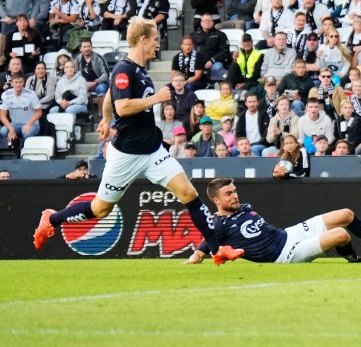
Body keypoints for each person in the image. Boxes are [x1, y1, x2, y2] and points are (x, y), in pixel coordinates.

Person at [33, 18, 238, 262]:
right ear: (142, 39)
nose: (157, 45)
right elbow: (122, 105)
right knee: (101, 209)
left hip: (152, 151)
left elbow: (109, 97)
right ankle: (52, 218)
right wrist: (156, 99)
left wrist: (106, 120)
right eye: (154, 39)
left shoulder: (139, 70)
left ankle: (217, 251)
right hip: (127, 155)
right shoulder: (124, 69)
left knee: (189, 193)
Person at [184, 178, 361, 265]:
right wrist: (195, 258)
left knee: (345, 214)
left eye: (235, 191)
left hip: (288, 234)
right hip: (285, 254)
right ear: (216, 200)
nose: (235, 196)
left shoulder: (245, 208)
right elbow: (204, 245)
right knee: (341, 234)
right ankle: (354, 259)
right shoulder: (219, 225)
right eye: (228, 194)